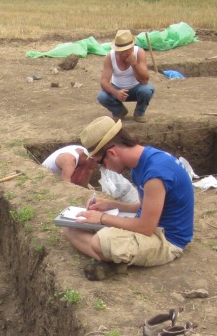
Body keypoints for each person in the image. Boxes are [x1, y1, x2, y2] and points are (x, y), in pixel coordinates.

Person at [63, 116, 193, 281]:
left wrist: (102, 218)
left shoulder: (155, 174)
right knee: (70, 228)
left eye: (101, 163)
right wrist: (110, 205)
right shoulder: (141, 163)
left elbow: (145, 227)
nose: (104, 168)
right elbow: (143, 206)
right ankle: (114, 260)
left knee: (100, 241)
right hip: (151, 227)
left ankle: (110, 260)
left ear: (111, 153)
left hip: (167, 240)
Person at [98, 29, 155, 123]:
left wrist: (134, 64)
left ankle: (139, 113)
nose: (125, 54)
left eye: (127, 50)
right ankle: (119, 111)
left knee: (147, 90)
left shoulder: (139, 53)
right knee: (102, 96)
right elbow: (104, 82)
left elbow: (144, 81)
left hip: (137, 88)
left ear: (132, 47)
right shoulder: (110, 57)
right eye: (121, 51)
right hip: (118, 88)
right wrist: (115, 92)